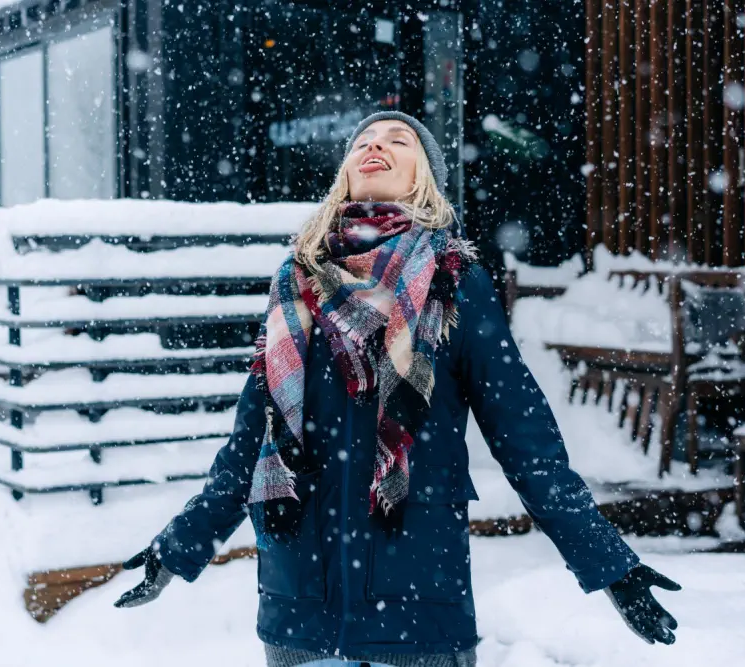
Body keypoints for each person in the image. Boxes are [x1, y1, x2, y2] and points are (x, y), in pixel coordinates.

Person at [114, 111, 680, 667]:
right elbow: (247, 446)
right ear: (346, 172)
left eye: (398, 140)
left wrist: (610, 565)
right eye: (364, 140)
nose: (375, 145)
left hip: (417, 612)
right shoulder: (295, 287)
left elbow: (526, 440)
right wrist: (177, 547)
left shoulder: (455, 283)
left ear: (423, 180)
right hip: (299, 614)